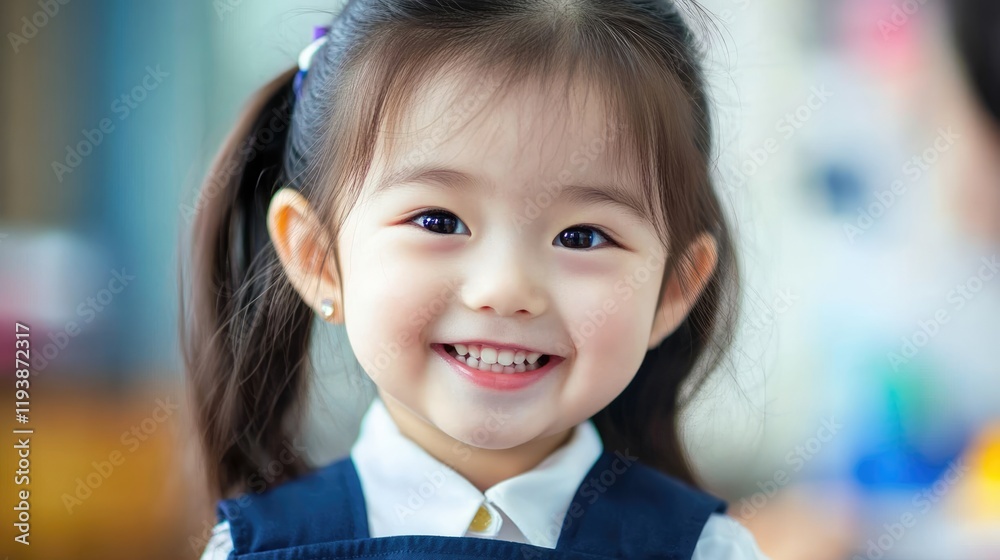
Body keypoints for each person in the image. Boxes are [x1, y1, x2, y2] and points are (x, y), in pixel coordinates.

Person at [183, 1, 770, 558]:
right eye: (438, 221)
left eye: (582, 236)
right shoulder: (257, 549)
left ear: (672, 291)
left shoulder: (708, 551)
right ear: (317, 258)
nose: (505, 289)